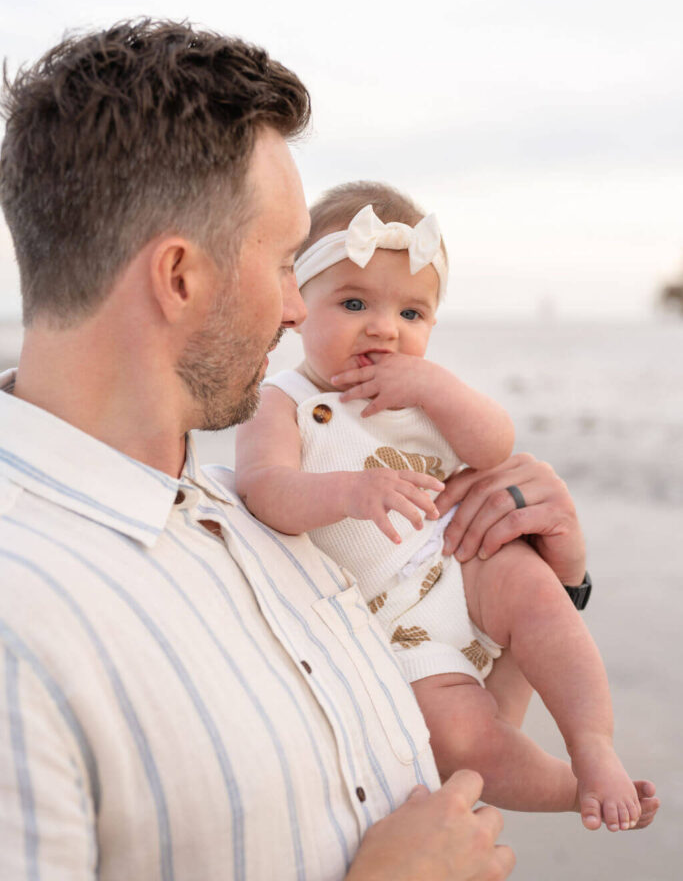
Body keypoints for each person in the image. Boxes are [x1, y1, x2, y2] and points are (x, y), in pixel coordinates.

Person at [0, 21, 656, 881]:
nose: (298, 312)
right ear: (180, 277)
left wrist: (543, 576)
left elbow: (458, 767)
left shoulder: (246, 511)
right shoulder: (27, 624)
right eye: (282, 265)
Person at [236, 182, 657, 832]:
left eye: (412, 315)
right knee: (461, 739)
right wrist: (346, 491)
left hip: (461, 559)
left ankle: (592, 744)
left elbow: (494, 446)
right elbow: (264, 488)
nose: (385, 328)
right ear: (298, 306)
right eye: (353, 303)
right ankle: (571, 789)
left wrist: (434, 386)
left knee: (544, 603)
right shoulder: (282, 401)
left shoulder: (424, 393)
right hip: (395, 621)